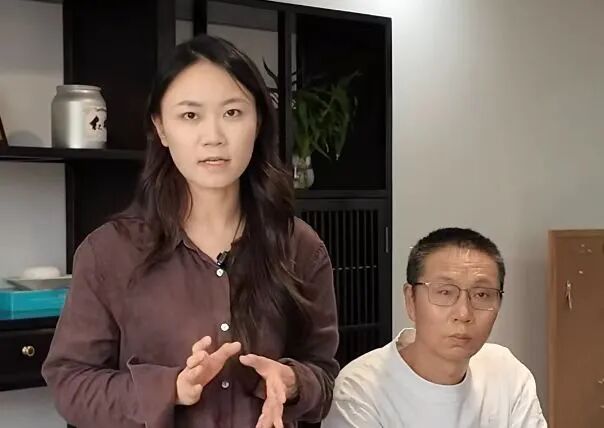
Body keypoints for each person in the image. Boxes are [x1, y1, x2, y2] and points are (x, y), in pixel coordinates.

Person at [42, 34, 339, 428]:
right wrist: (169, 389)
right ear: (161, 129)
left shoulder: (300, 246)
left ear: (258, 123)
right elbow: (71, 384)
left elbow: (325, 373)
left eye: (232, 112)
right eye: (190, 116)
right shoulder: (109, 253)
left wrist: (294, 382)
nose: (213, 136)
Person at [323, 227, 547, 428]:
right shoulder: (360, 391)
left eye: (481, 295)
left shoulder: (507, 373)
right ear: (411, 300)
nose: (463, 314)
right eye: (445, 292)